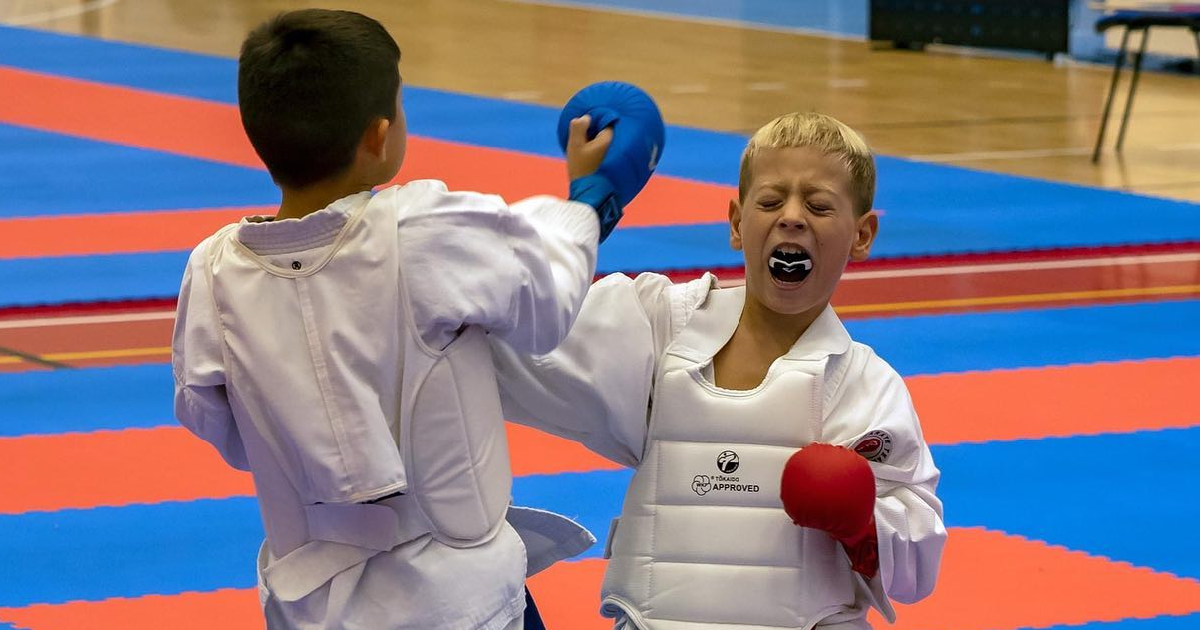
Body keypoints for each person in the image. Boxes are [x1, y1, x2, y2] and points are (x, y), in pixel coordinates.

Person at [171, 8, 627, 629]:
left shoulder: (213, 272)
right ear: (379, 135)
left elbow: (216, 422)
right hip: (463, 605)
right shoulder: (420, 231)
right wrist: (587, 202)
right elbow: (545, 301)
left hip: (311, 603)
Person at [490, 111, 947, 629]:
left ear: (862, 235)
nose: (792, 217)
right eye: (771, 201)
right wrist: (584, 208)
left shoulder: (865, 388)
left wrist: (865, 523)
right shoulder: (661, 327)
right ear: (735, 222)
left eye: (818, 205)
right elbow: (519, 330)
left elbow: (916, 571)